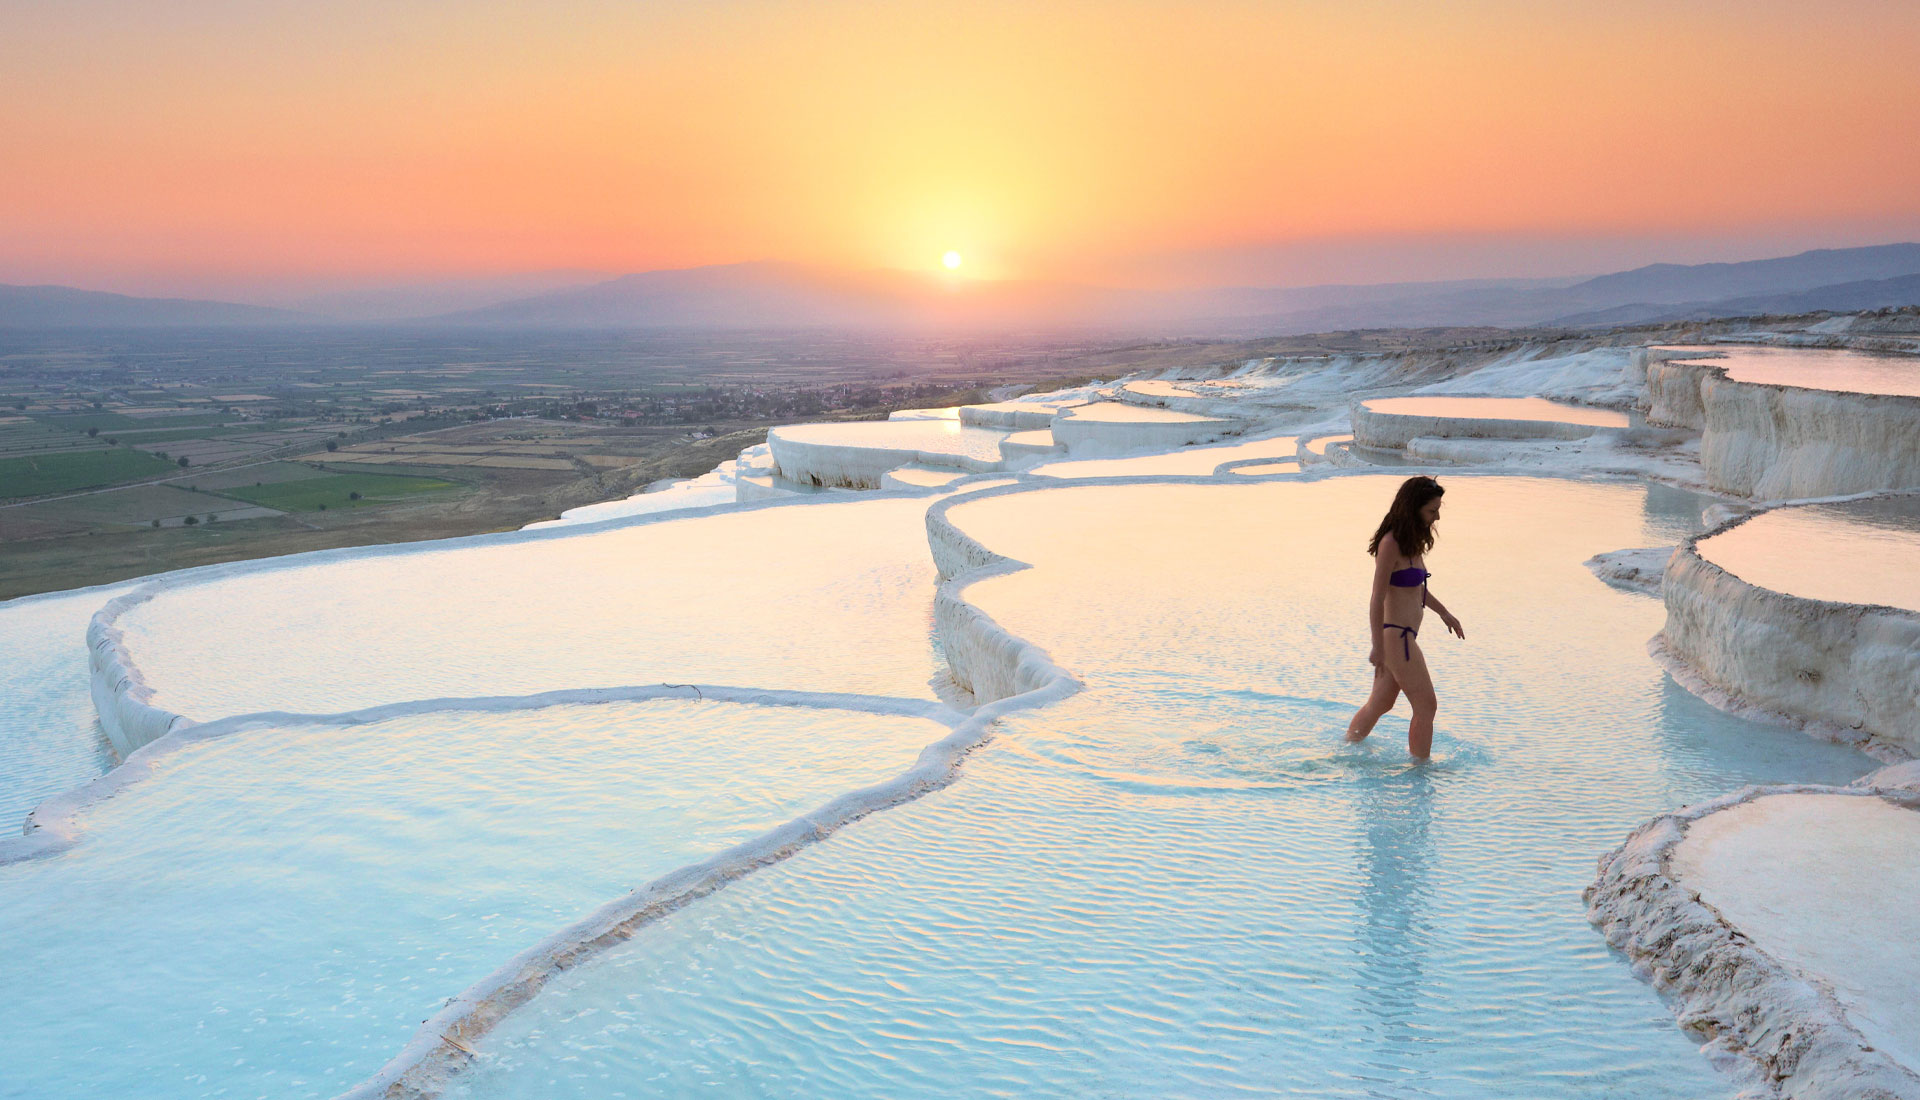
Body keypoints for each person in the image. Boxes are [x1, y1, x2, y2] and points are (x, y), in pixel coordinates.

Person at [1345, 476, 1464, 758]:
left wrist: (1444, 612)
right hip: (1397, 637)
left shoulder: (1413, 543)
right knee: (1426, 705)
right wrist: (1377, 646)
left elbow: (1415, 588)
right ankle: (1420, 770)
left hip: (1403, 637)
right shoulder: (1390, 544)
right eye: (1431, 511)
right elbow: (1377, 598)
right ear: (1413, 508)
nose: (1436, 517)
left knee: (1380, 704)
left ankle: (1346, 748)